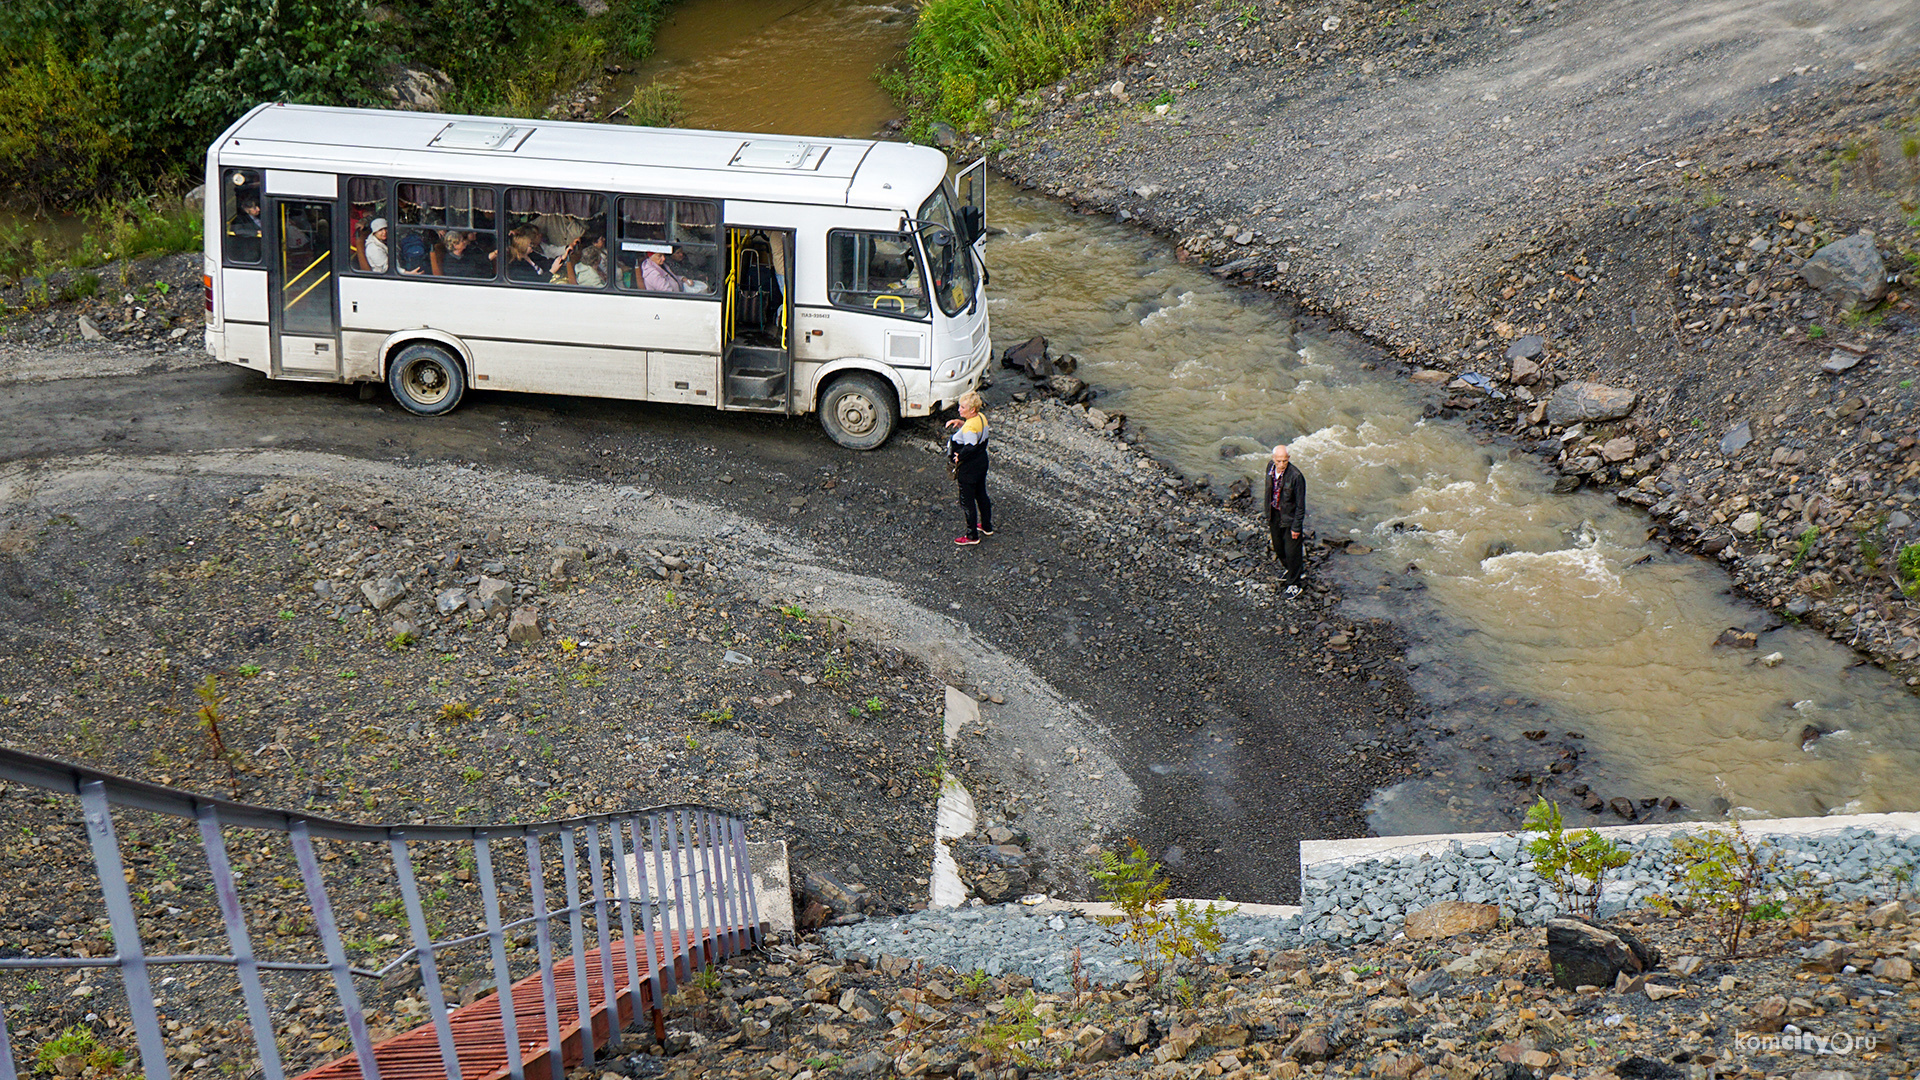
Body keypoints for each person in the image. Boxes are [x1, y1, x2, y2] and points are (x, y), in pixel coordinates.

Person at [945, 391, 993, 546]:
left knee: (967, 501)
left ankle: (972, 536)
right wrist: (961, 423)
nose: (959, 409)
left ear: (972, 410)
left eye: (963, 407)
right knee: (981, 494)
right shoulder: (980, 417)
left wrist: (960, 457)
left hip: (969, 468)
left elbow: (971, 445)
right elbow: (976, 436)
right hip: (981, 462)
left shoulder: (969, 429)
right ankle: (986, 526)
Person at [1262, 444, 1307, 596]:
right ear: (1273, 459)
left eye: (1284, 461)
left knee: (1292, 551)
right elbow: (1269, 491)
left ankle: (1295, 584)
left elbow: (1301, 505)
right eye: (1279, 461)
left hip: (1290, 518)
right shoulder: (1270, 468)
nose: (1281, 464)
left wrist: (1296, 527)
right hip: (1274, 514)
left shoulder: (1296, 476)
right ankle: (1294, 570)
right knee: (1278, 547)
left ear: (1289, 459)